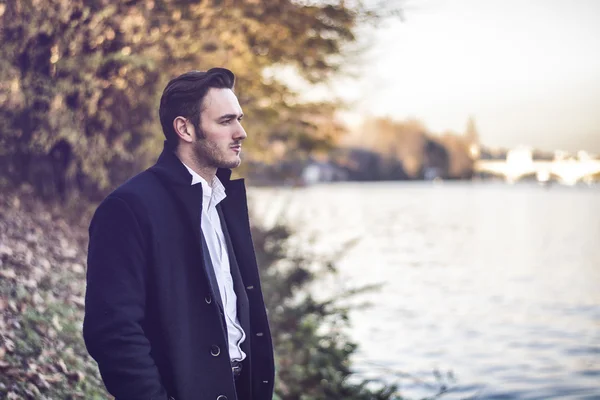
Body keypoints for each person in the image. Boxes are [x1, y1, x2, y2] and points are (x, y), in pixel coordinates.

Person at [83, 68, 275, 400]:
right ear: (185, 128)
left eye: (239, 119)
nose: (241, 132)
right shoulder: (129, 207)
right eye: (225, 121)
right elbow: (113, 331)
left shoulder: (223, 202)